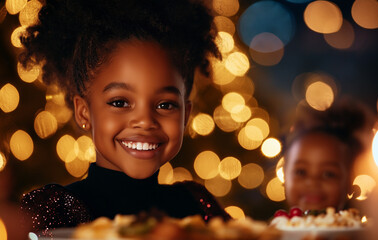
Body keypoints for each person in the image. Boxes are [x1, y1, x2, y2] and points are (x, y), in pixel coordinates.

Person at [19, 0, 230, 234]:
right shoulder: (56, 212)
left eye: (165, 104)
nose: (145, 120)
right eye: (120, 102)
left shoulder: (196, 206)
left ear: (185, 115)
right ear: (83, 112)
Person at [281, 98, 374, 212]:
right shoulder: (273, 229)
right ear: (285, 175)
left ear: (350, 181)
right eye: (301, 172)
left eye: (328, 174)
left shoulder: (361, 229)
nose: (313, 182)